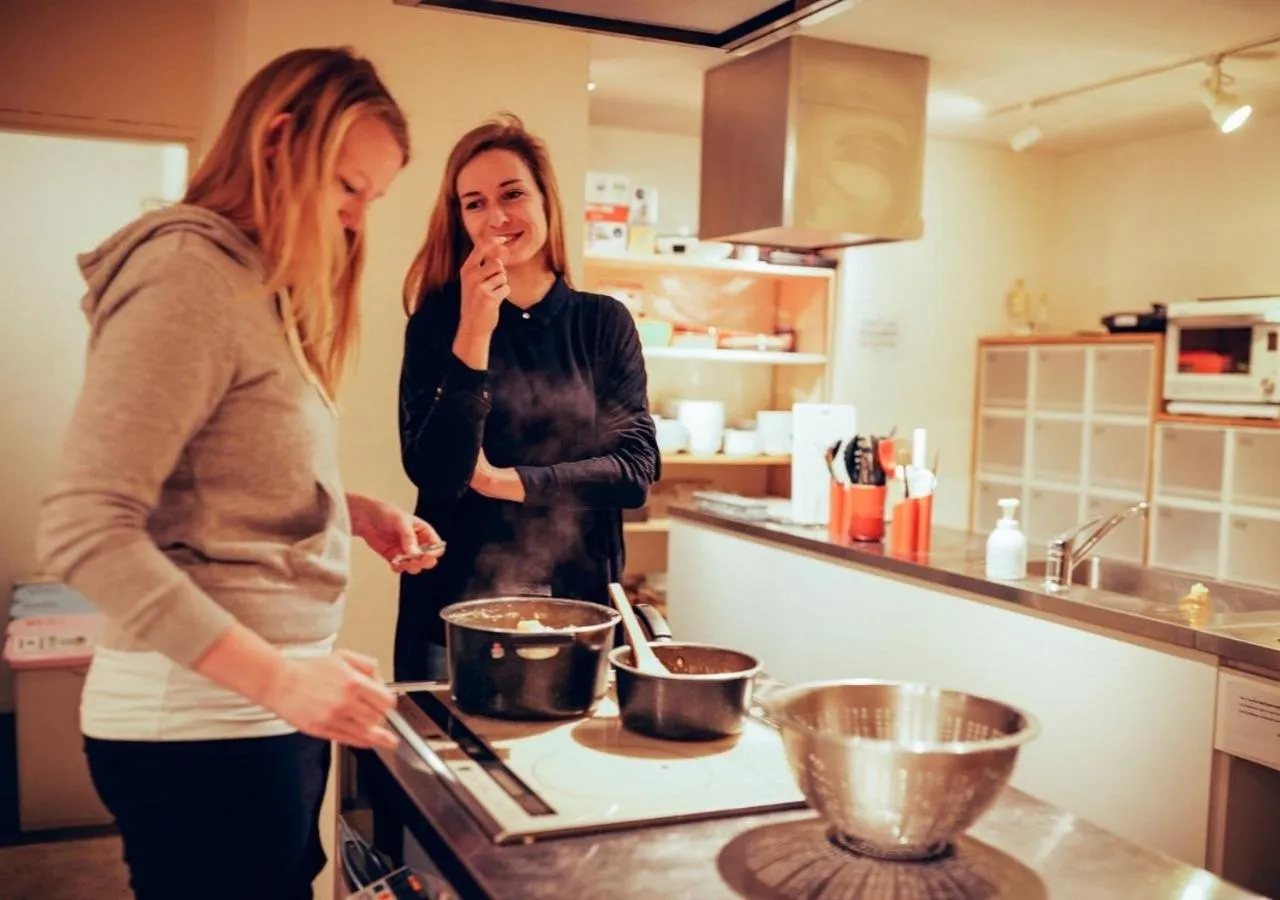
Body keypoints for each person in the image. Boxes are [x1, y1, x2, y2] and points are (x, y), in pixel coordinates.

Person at [34, 47, 440, 900]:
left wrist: (345, 512)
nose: (359, 220)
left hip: (256, 722)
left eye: (374, 198)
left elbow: (219, 483)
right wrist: (286, 679)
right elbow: (84, 527)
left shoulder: (255, 285)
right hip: (198, 731)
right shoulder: (187, 274)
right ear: (277, 140)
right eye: (347, 186)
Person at [395, 113, 660, 682]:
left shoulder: (602, 323)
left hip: (579, 609)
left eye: (512, 194)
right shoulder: (438, 324)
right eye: (474, 203)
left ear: (545, 202)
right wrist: (475, 329)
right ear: (459, 219)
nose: (497, 217)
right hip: (456, 615)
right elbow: (435, 475)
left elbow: (635, 472)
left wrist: (502, 481)